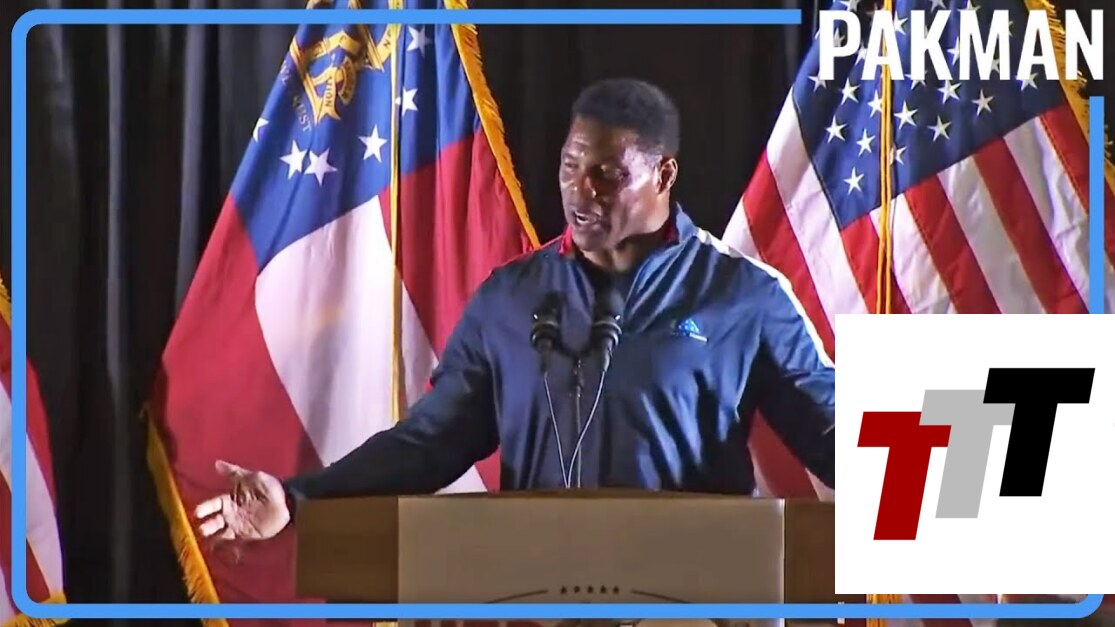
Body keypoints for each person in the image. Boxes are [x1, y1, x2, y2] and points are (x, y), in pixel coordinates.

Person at [195, 77, 835, 544]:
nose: (581, 191)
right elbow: (431, 442)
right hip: (532, 599)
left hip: (695, 600)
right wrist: (298, 497)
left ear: (664, 175)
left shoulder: (745, 296)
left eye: (608, 174)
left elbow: (835, 439)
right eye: (570, 166)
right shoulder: (510, 297)